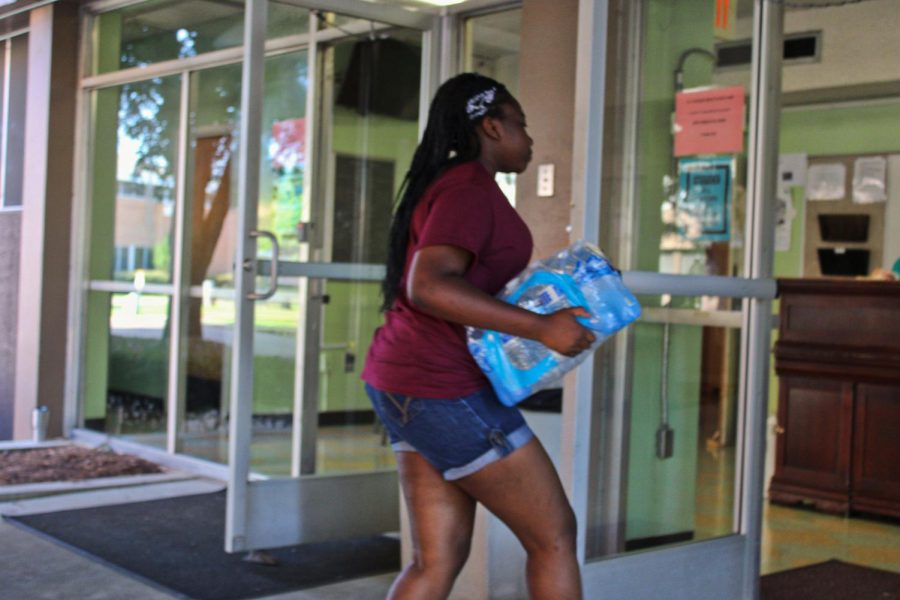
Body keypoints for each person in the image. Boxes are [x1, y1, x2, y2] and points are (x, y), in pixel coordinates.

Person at [361, 72, 594, 600]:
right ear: (491, 126)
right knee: (554, 536)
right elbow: (430, 285)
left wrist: (543, 307)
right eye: (522, 126)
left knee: (436, 559)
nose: (529, 140)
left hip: (405, 381)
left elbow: (456, 286)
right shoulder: (467, 188)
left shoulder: (455, 186)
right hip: (441, 387)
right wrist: (541, 328)